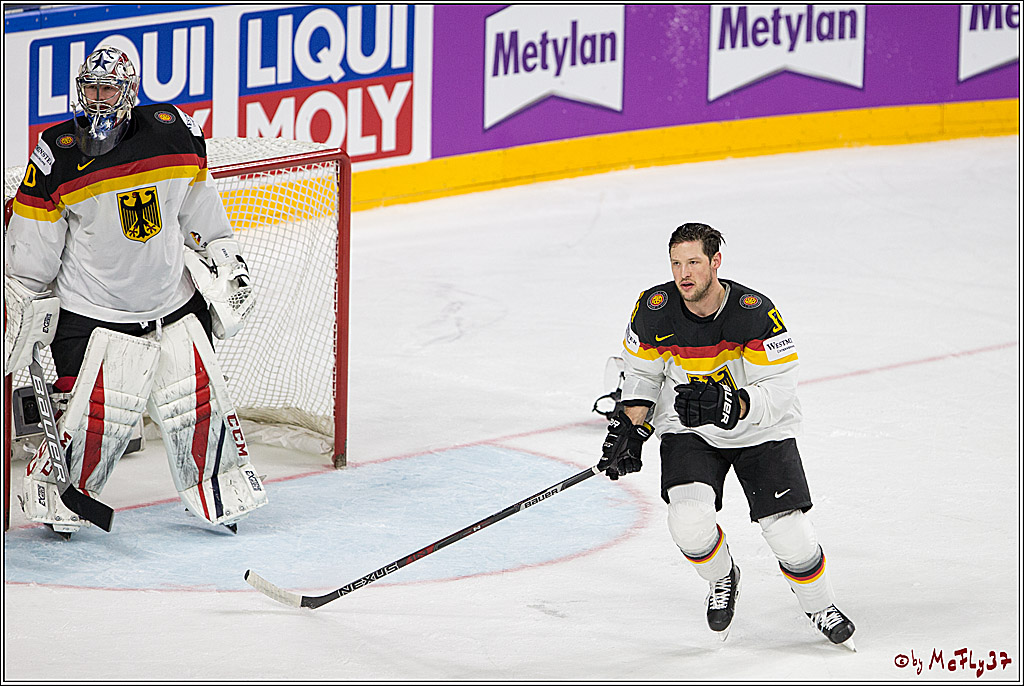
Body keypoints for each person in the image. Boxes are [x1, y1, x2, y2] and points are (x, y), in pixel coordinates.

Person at [4, 45, 267, 539]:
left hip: (172, 301)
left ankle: (220, 491)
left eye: (108, 89)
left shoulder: (174, 133)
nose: (97, 101)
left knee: (199, 404)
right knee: (99, 419)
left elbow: (197, 207)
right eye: (90, 89)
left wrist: (222, 254)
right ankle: (61, 497)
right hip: (94, 310)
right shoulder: (58, 153)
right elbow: (33, 244)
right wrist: (24, 295)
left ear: (129, 93)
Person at [597, 222, 855, 648]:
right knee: (688, 522)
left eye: (695, 262)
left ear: (715, 262)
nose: (685, 274)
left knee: (788, 533)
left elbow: (779, 389)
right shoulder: (653, 308)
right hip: (690, 427)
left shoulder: (753, 312)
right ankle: (723, 577)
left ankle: (819, 604)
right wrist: (632, 427)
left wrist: (732, 405)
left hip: (760, 428)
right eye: (677, 263)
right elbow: (643, 374)